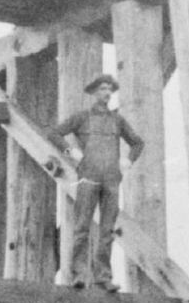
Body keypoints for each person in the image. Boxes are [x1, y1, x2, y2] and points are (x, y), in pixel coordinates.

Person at [51, 75, 145, 291]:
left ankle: (103, 277)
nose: (107, 93)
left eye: (110, 89)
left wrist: (128, 161)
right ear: (94, 93)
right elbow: (54, 133)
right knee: (82, 228)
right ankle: (79, 275)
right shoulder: (82, 117)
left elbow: (138, 143)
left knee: (107, 230)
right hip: (88, 178)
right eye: (103, 89)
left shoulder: (118, 120)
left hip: (111, 181)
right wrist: (71, 152)